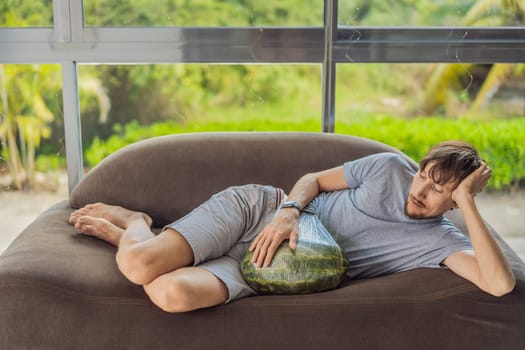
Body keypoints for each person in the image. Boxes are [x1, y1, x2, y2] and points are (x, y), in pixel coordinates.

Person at [68, 140, 515, 313]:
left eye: (440, 189)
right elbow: (315, 180)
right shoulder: (389, 168)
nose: (420, 190)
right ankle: (137, 222)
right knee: (141, 267)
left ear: (456, 198)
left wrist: (468, 204)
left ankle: (142, 239)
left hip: (264, 269)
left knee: (171, 294)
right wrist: (288, 211)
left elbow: (498, 285)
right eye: (423, 174)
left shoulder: (438, 240)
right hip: (258, 211)